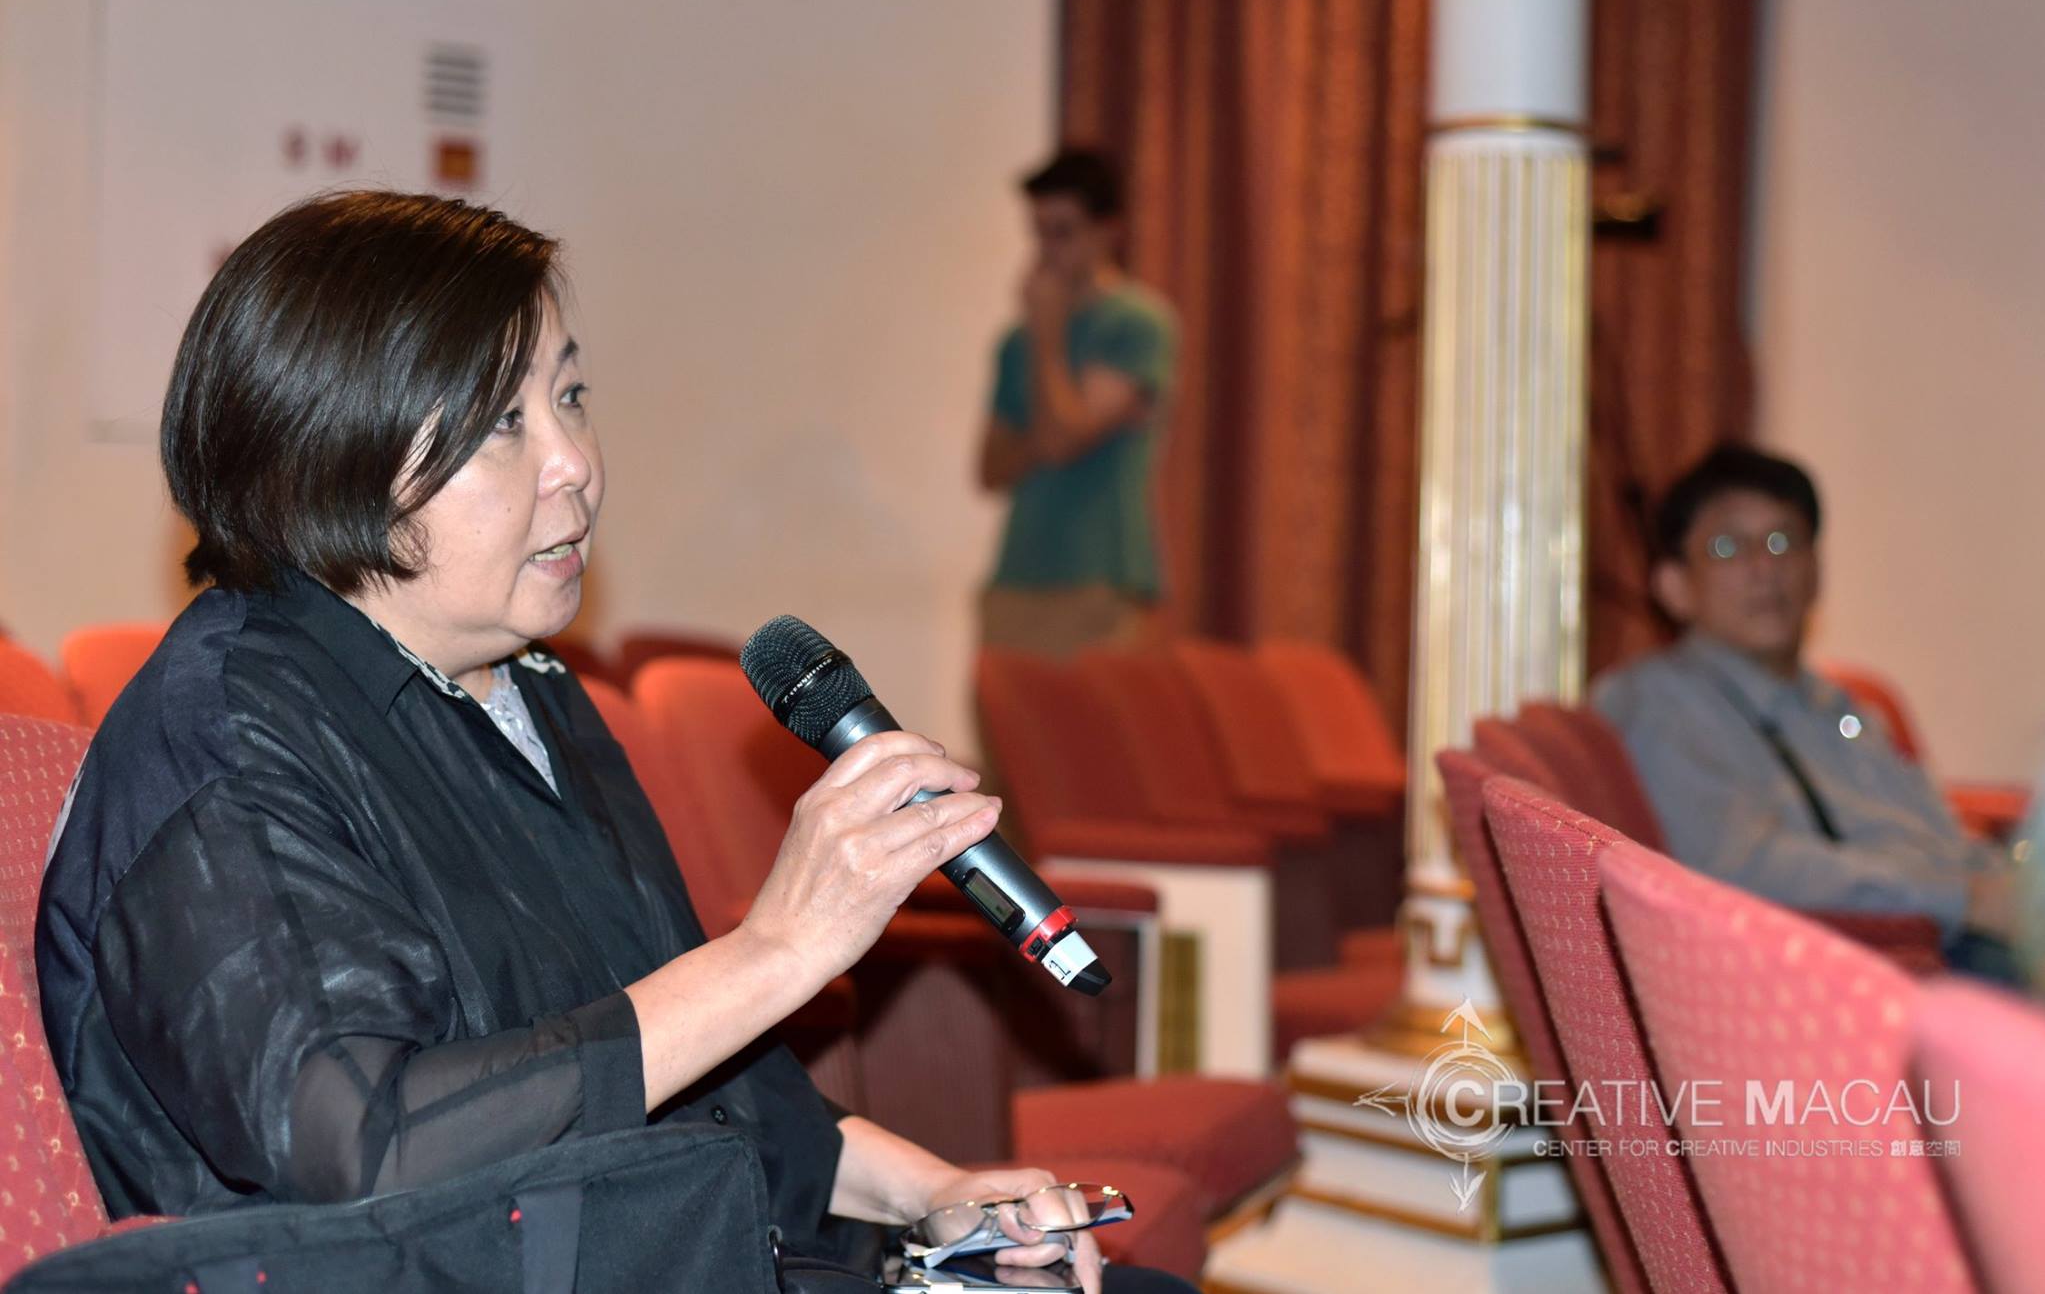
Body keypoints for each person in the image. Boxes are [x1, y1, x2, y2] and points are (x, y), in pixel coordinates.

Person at [36, 192, 1192, 1293]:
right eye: (504, 422)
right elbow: (368, 1144)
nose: (575, 462)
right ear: (331, 450)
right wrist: (772, 951)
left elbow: (696, 1084)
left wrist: (933, 1195)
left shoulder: (530, 688)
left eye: (571, 397)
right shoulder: (229, 738)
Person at [1594, 443, 2019, 979]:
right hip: (1868, 965)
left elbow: (1938, 837)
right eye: (1728, 546)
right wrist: (1965, 898)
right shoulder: (1661, 701)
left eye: (1783, 540)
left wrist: (2014, 891)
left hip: (1963, 933)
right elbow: (1740, 867)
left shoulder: (1844, 706)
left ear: (1816, 569)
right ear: (1674, 586)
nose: (1764, 567)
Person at [977, 148, 1177, 657]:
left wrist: (1048, 339)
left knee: (1095, 713)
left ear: (1108, 231)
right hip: (1017, 578)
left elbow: (1062, 443)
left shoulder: (1137, 325)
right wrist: (1054, 431)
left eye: (1063, 232)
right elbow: (990, 468)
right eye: (1039, 232)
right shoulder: (1015, 342)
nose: (1047, 251)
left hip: (1100, 580)